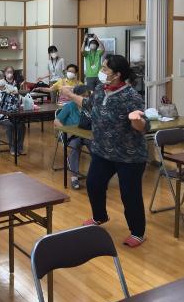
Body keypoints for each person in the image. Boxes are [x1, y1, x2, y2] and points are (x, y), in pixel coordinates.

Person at [62, 54, 150, 248]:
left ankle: (138, 232)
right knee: (93, 184)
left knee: (129, 194)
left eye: (105, 69)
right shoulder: (101, 89)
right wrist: (69, 95)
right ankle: (100, 217)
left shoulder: (131, 96)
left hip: (129, 156)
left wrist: (136, 119)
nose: (101, 72)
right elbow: (88, 104)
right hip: (103, 152)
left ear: (117, 74)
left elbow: (144, 127)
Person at [54, 85, 91, 190]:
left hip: (86, 134)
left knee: (96, 147)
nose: (85, 98)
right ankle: (74, 176)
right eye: (83, 96)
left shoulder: (88, 107)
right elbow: (56, 121)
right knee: (75, 146)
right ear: (76, 96)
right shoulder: (70, 106)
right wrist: (66, 130)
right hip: (72, 136)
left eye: (87, 96)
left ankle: (94, 175)